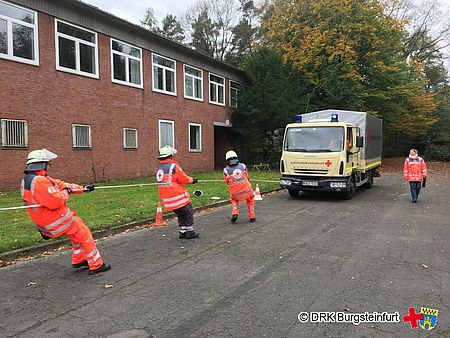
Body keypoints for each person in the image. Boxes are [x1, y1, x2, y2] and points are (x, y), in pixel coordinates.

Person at [20, 149, 111, 274]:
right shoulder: (40, 181)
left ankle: (79, 260)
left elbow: (61, 184)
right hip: (55, 220)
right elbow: (55, 202)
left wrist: (82, 189)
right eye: (47, 163)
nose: (48, 166)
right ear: (41, 164)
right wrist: (66, 192)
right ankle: (96, 265)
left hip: (45, 220)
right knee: (84, 233)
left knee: (77, 231)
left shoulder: (32, 179)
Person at [156, 145, 199, 239]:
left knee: (180, 213)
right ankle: (190, 232)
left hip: (167, 200)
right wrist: (193, 180)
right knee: (188, 212)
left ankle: (182, 231)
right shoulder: (173, 166)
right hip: (177, 196)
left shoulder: (161, 168)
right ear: (170, 156)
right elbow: (183, 178)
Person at [223, 150, 256, 223]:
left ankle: (235, 212)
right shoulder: (243, 166)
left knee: (233, 199)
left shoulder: (225, 170)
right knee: (250, 199)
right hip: (247, 190)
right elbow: (247, 177)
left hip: (236, 193)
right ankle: (252, 216)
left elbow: (227, 182)